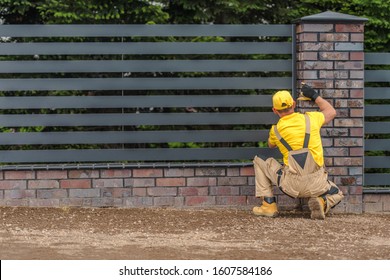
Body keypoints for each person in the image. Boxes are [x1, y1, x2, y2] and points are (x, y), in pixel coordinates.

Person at [252, 84, 344, 219]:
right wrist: (314, 95)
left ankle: (268, 205)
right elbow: (331, 112)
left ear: (274, 110)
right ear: (294, 104)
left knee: (259, 160)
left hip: (291, 186)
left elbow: (271, 145)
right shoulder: (311, 119)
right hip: (317, 184)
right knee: (337, 193)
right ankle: (322, 201)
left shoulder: (275, 130)